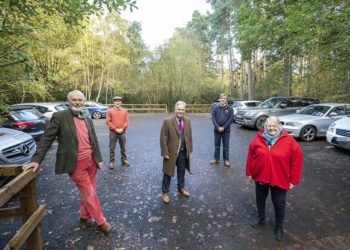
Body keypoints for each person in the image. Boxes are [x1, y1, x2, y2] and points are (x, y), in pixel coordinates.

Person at [23, 90, 112, 233]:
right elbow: (47, 138)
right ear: (69, 101)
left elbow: (93, 139)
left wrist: (99, 158)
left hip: (91, 161)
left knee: (90, 191)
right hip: (75, 163)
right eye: (74, 100)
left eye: (80, 100)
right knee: (89, 193)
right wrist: (36, 160)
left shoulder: (86, 116)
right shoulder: (60, 116)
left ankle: (84, 215)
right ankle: (101, 221)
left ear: (84, 101)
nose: (77, 102)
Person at [246, 116, 302, 241]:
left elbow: (296, 161)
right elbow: (250, 156)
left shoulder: (289, 141)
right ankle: (261, 217)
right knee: (260, 198)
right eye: (268, 126)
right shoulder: (258, 140)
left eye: (274, 126)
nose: (271, 128)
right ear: (265, 127)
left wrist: (293, 180)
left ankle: (279, 226)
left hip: (280, 179)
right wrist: (249, 172)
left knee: (279, 203)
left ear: (279, 127)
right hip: (260, 176)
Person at [160, 101, 193, 204]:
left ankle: (181, 188)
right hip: (171, 152)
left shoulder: (187, 121)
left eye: (183, 109)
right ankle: (165, 193)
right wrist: (165, 152)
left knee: (181, 171)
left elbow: (189, 136)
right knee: (168, 172)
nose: (181, 111)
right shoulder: (168, 121)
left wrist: (189, 149)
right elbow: (163, 138)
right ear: (175, 110)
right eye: (179, 109)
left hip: (183, 152)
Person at [210, 93, 234, 167]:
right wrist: (218, 127)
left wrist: (224, 127)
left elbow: (231, 119)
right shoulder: (215, 108)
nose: (223, 99)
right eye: (222, 98)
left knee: (226, 146)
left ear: (226, 100)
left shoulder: (230, 108)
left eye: (225, 98)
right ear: (219, 99)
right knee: (217, 145)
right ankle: (216, 159)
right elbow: (213, 118)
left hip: (226, 131)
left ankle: (226, 160)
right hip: (217, 130)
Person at [106, 96, 129, 169]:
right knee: (112, 148)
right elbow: (108, 121)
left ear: (121, 102)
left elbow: (126, 121)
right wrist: (115, 129)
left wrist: (122, 128)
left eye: (119, 101)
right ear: (114, 102)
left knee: (123, 147)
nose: (118, 102)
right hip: (113, 132)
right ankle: (111, 162)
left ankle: (124, 160)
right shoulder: (109, 111)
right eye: (116, 101)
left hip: (122, 132)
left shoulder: (125, 111)